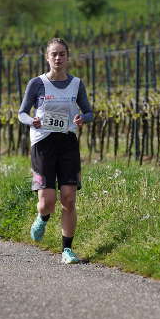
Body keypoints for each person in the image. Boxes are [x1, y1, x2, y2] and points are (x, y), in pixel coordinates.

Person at [18, 38, 94, 264]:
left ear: (68, 57)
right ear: (47, 58)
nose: (58, 58)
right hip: (43, 143)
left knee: (69, 199)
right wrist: (33, 121)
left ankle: (67, 250)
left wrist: (83, 118)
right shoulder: (36, 83)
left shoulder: (77, 84)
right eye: (54, 54)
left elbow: (89, 112)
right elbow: (21, 112)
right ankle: (42, 216)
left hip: (68, 143)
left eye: (62, 54)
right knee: (47, 202)